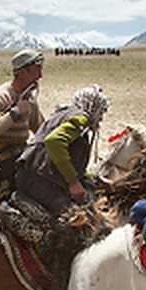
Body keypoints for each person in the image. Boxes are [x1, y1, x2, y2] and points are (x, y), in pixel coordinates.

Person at [14, 85, 109, 216]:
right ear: (93, 108)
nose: (100, 119)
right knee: (79, 220)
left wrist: (94, 179)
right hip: (39, 181)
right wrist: (73, 181)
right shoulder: (81, 118)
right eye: (100, 113)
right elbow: (54, 142)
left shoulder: (64, 114)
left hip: (31, 175)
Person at [0, 49, 46, 220]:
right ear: (23, 72)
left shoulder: (29, 98)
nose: (40, 76)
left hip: (26, 156)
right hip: (7, 161)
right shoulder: (0, 96)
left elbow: (40, 128)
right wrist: (15, 113)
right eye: (37, 70)